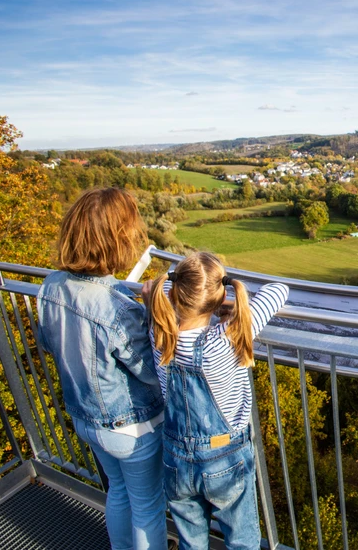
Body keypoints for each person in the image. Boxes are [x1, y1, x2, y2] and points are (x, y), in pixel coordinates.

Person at [36, 187, 167, 550]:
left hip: (86, 419)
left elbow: (48, 343)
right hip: (131, 427)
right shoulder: (118, 308)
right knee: (148, 507)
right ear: (118, 239)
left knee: (119, 493)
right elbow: (149, 371)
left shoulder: (50, 286)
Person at [143, 251, 288, 550]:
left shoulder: (159, 334)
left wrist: (162, 294)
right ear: (221, 295)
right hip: (225, 457)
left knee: (192, 542)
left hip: (175, 457)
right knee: (242, 541)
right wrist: (229, 299)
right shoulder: (226, 338)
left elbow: (165, 301)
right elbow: (279, 289)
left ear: (174, 291)